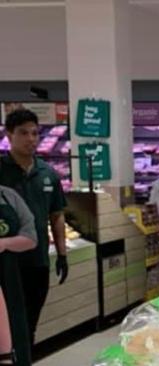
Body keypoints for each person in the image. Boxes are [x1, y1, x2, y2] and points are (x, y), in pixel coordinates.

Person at [0, 109, 68, 350]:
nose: (31, 139)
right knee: (7, 325)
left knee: (29, 323)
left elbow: (57, 215)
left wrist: (62, 254)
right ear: (9, 135)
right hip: (5, 262)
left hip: (37, 260)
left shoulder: (48, 174)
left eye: (34, 133)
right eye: (23, 133)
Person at [0, 185, 38, 365]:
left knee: (15, 328)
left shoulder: (8, 196)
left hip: (9, 277)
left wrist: (4, 243)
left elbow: (31, 238)